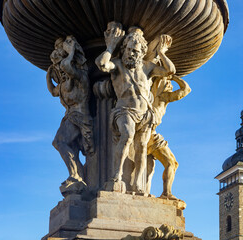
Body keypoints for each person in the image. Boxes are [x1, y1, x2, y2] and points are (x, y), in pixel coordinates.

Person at [95, 22, 175, 193]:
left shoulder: (147, 67)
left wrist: (161, 52)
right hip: (124, 111)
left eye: (136, 51)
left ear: (142, 53)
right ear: (124, 49)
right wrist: (110, 46)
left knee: (141, 148)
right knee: (127, 135)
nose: (132, 54)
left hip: (145, 114)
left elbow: (170, 71)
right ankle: (116, 176)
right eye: (129, 49)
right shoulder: (117, 64)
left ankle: (139, 185)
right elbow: (102, 64)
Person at [46, 36, 94, 196]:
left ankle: (76, 175)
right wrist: (48, 75)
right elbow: (53, 91)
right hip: (71, 116)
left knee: (60, 142)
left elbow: (67, 66)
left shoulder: (80, 77)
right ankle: (77, 175)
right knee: (62, 143)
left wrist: (71, 50)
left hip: (80, 116)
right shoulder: (64, 84)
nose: (59, 68)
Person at [146, 75, 191, 199]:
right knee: (171, 163)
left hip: (150, 133)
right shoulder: (163, 97)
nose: (171, 85)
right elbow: (186, 89)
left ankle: (166, 192)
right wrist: (175, 77)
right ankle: (166, 193)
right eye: (168, 83)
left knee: (173, 164)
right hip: (150, 135)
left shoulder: (154, 96)